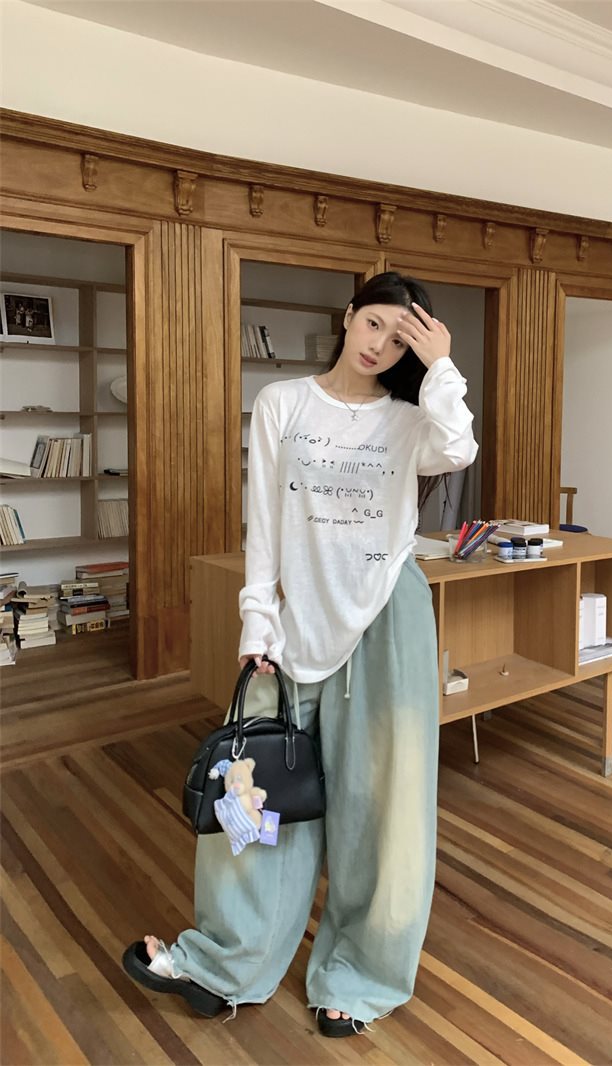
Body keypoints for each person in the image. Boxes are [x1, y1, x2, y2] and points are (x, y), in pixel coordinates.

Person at [122, 271, 479, 1037]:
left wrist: (441, 362)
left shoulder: (412, 419)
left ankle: (358, 975)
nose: (381, 345)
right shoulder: (282, 403)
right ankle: (225, 962)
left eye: (401, 337)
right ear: (348, 317)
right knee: (250, 796)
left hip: (387, 618)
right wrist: (258, 623)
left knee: (384, 810)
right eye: (375, 323)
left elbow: (458, 447)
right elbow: (263, 525)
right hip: (292, 622)